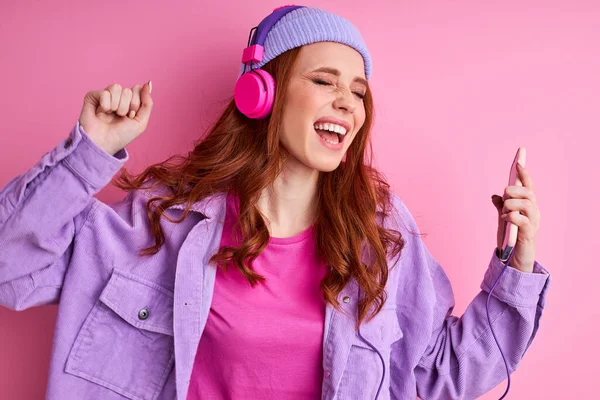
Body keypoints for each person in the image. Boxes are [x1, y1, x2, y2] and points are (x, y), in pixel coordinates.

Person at [0, 5, 551, 400]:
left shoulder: (380, 234)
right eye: (325, 80)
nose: (347, 102)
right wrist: (90, 151)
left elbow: (440, 374)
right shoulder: (166, 220)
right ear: (261, 92)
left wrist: (516, 265)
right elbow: (11, 267)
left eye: (358, 91)